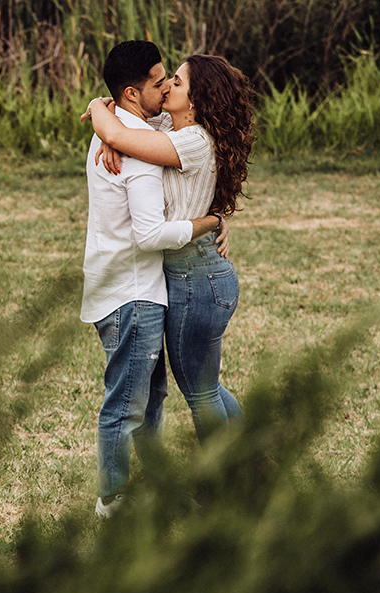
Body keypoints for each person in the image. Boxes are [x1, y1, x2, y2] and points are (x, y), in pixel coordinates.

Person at [80, 41, 224, 519]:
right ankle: (113, 500)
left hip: (125, 287)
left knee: (151, 398)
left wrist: (101, 111)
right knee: (127, 403)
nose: (165, 88)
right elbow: (149, 235)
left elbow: (118, 122)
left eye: (169, 80)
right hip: (133, 292)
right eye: (158, 82)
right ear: (131, 92)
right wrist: (208, 222)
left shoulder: (125, 132)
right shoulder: (135, 148)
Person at [85, 54, 254, 446]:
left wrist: (110, 130)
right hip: (195, 273)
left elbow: (122, 135)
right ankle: (253, 459)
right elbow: (124, 128)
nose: (166, 87)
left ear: (195, 99)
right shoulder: (168, 126)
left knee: (201, 393)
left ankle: (229, 471)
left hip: (197, 277)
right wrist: (102, 109)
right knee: (207, 387)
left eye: (176, 82)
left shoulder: (192, 141)